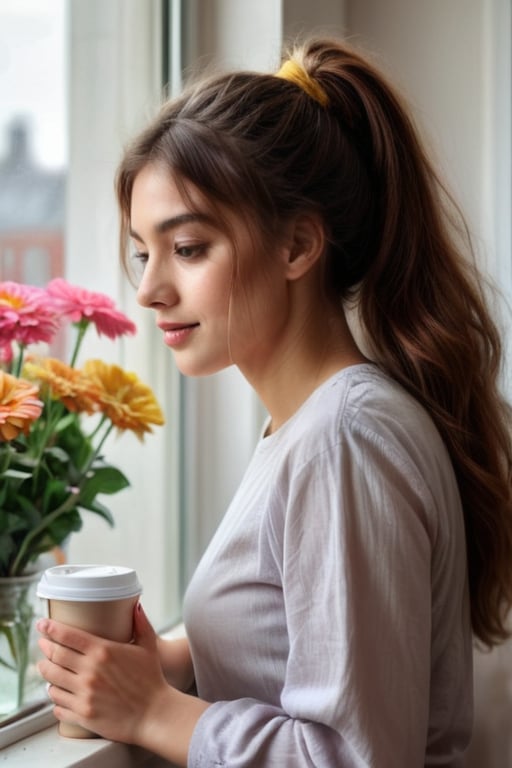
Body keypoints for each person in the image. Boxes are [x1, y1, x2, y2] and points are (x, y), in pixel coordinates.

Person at [37, 37, 512, 767]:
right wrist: (169, 663)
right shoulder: (309, 427)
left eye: (188, 248)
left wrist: (158, 712)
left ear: (297, 246)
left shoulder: (345, 438)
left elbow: (355, 758)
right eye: (143, 251)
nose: (149, 289)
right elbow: (293, 635)